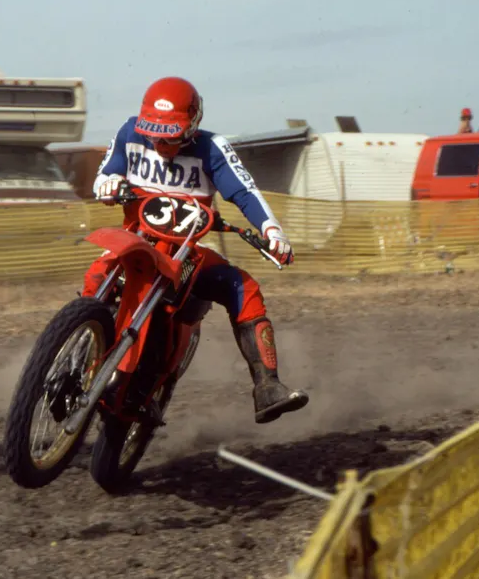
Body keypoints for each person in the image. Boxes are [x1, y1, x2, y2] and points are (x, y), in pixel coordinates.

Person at [83, 76, 309, 424]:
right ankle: (73, 352)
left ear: (192, 126)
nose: (161, 143)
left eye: (171, 136)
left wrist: (271, 229)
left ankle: (267, 386)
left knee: (243, 287)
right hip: (135, 238)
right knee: (97, 274)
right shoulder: (129, 132)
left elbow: (244, 191)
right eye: (154, 134)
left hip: (188, 250)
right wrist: (108, 184)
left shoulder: (212, 147)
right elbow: (105, 174)